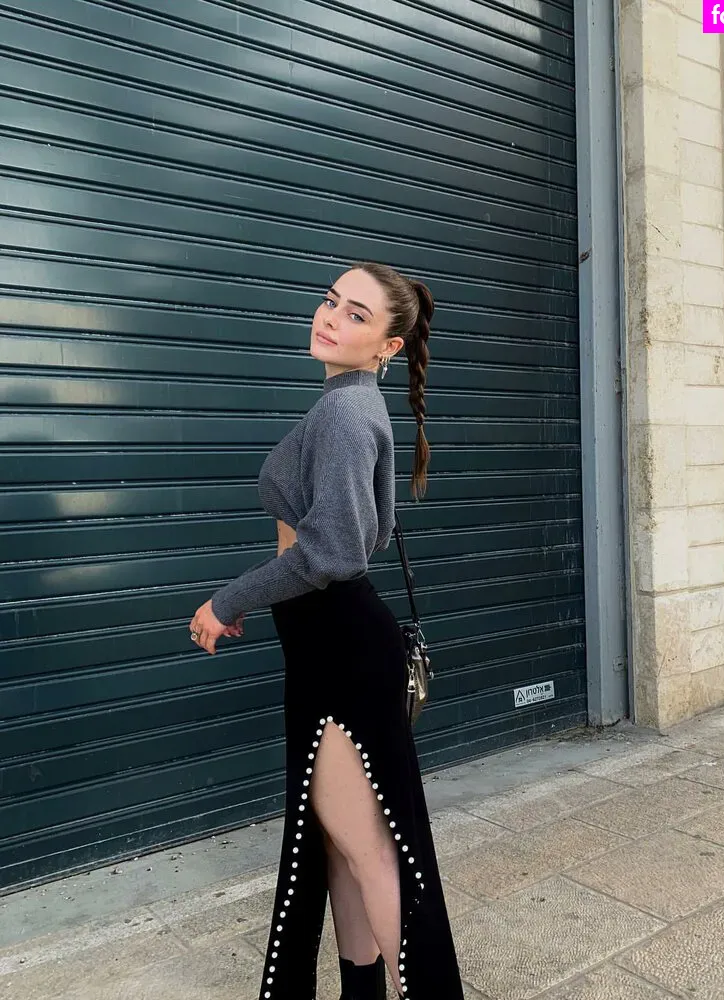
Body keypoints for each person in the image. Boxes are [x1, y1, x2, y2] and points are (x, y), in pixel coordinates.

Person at [187, 262, 465, 1000]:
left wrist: (228, 599)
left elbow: (334, 554)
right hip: (329, 645)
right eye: (331, 300)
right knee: (340, 847)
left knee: (369, 849)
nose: (331, 317)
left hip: (340, 651)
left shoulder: (346, 414)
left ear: (388, 345)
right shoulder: (351, 405)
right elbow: (365, 534)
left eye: (356, 314)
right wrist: (267, 594)